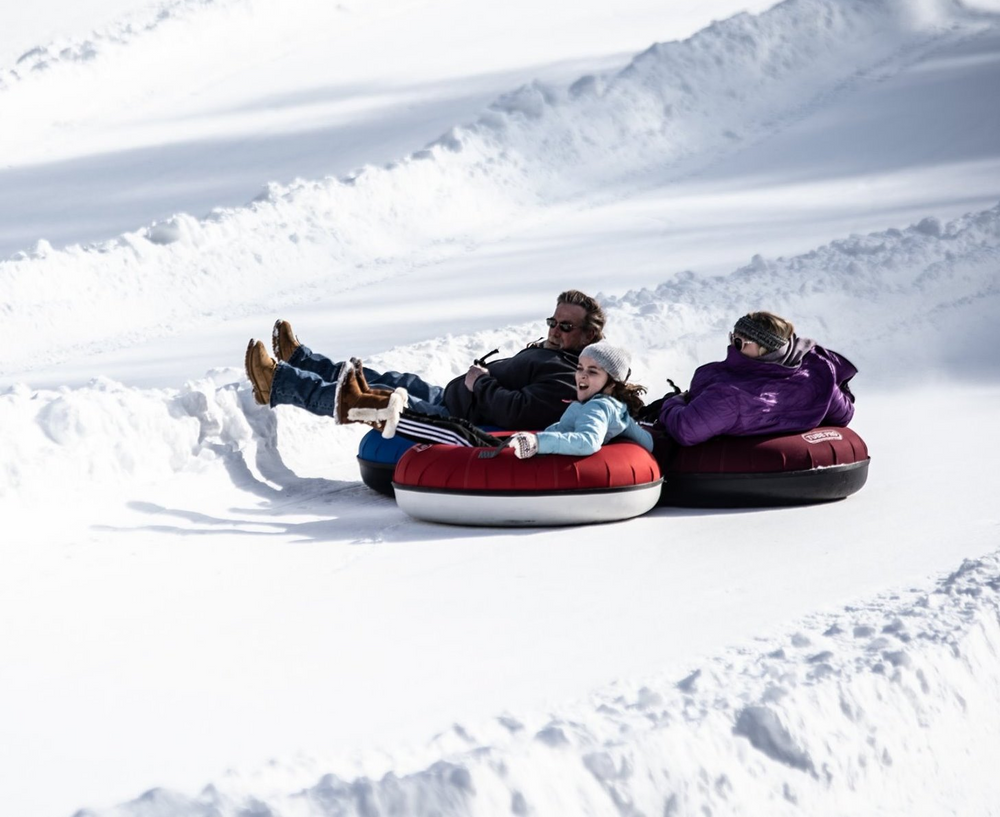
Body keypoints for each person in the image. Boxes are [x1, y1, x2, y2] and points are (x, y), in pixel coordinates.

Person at [243, 289, 606, 431]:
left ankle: (277, 384)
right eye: (553, 322)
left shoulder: (569, 376)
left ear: (588, 336)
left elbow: (518, 413)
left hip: (456, 421)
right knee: (378, 374)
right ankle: (300, 359)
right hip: (449, 398)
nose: (555, 330)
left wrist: (481, 383)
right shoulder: (552, 354)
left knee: (374, 392)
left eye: (566, 326)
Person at [390, 340, 654, 459]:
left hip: (544, 457)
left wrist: (538, 442)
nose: (581, 376)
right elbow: (644, 439)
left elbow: (587, 442)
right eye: (580, 368)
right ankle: (393, 410)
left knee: (462, 435)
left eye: (592, 372)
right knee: (470, 434)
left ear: (612, 382)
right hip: (538, 448)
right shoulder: (597, 406)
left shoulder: (600, 406)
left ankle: (396, 414)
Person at [657, 311, 857, 446]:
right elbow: (844, 415)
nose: (733, 346)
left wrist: (672, 402)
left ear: (766, 349)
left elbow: (686, 429)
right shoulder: (817, 376)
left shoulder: (728, 393)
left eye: (740, 342)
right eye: (732, 338)